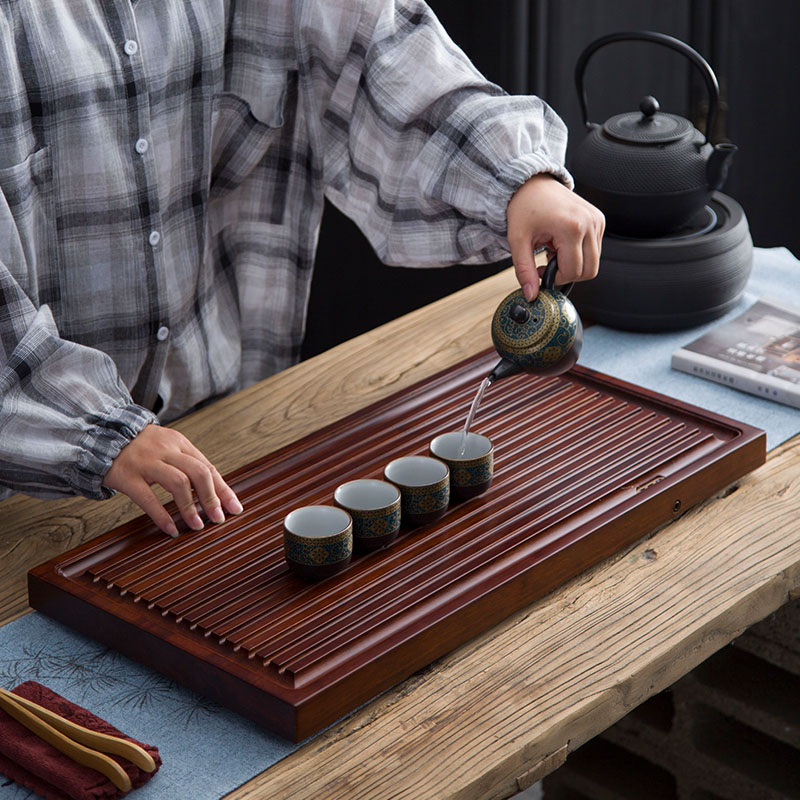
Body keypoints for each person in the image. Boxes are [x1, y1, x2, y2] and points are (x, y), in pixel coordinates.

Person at [0, 0, 604, 537]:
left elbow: (375, 43)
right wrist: (93, 431)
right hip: (30, 488)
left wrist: (516, 177)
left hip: (222, 427)